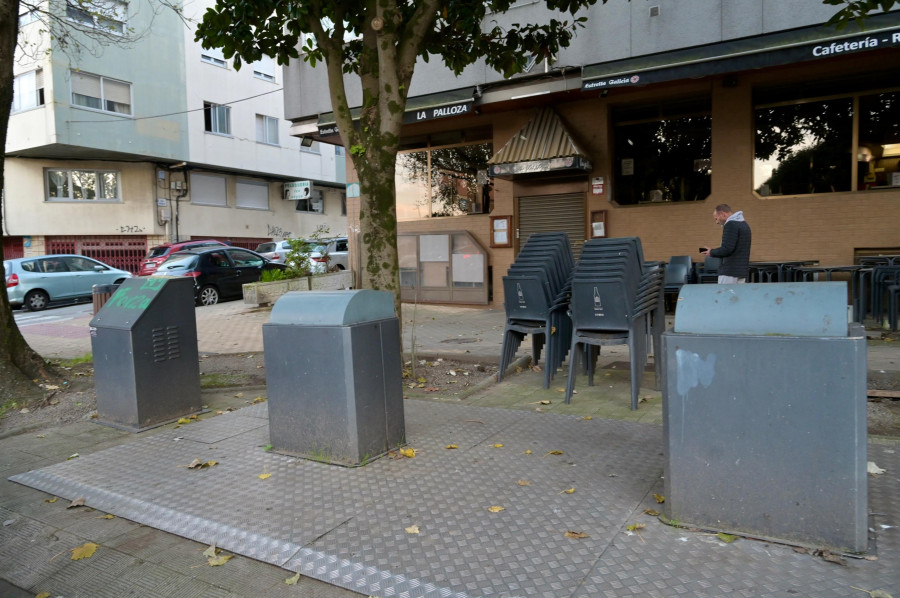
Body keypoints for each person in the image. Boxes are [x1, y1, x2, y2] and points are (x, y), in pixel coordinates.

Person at [701, 204, 751, 283]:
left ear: (723, 214)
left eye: (716, 218)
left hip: (729, 272)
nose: (716, 222)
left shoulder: (730, 224)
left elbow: (727, 249)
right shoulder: (744, 225)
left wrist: (711, 252)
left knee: (723, 295)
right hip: (742, 271)